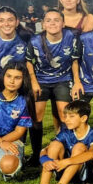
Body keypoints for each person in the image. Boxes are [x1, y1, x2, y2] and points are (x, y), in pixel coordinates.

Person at [25, 9, 77, 164]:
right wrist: (34, 81)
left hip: (63, 78)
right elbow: (29, 61)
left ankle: (65, 149)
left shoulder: (71, 37)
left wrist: (77, 82)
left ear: (63, 23)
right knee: (37, 115)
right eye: (48, 20)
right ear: (43, 24)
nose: (53, 23)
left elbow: (75, 60)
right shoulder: (35, 41)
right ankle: (35, 154)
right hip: (41, 79)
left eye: (56, 20)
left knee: (64, 114)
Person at [28, 100, 93, 184]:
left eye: (71, 117)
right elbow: (44, 150)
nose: (66, 120)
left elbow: (91, 154)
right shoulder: (65, 132)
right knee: (55, 145)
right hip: (64, 168)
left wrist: (66, 162)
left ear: (83, 118)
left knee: (79, 147)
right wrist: (45, 161)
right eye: (65, 116)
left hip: (86, 174)